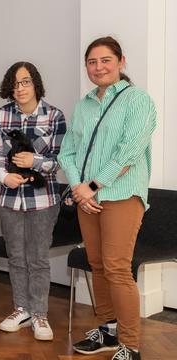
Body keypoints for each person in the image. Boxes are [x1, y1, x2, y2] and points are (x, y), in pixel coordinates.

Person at [59, 36, 157, 360]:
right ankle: (108, 330)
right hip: (87, 197)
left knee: (116, 268)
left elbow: (129, 150)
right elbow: (67, 152)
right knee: (97, 264)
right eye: (92, 61)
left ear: (121, 61)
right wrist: (79, 188)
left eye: (105, 60)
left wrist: (93, 185)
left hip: (121, 194)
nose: (98, 67)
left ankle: (131, 346)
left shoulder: (138, 100)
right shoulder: (83, 104)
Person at [0, 62, 66, 341]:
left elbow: (58, 161)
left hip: (43, 200)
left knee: (38, 259)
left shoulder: (55, 116)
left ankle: (40, 314)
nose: (19, 88)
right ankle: (21, 309)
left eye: (25, 82)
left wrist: (35, 161)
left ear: (36, 84)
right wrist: (3, 176)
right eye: (15, 83)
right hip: (9, 199)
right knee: (16, 258)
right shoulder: (0, 116)